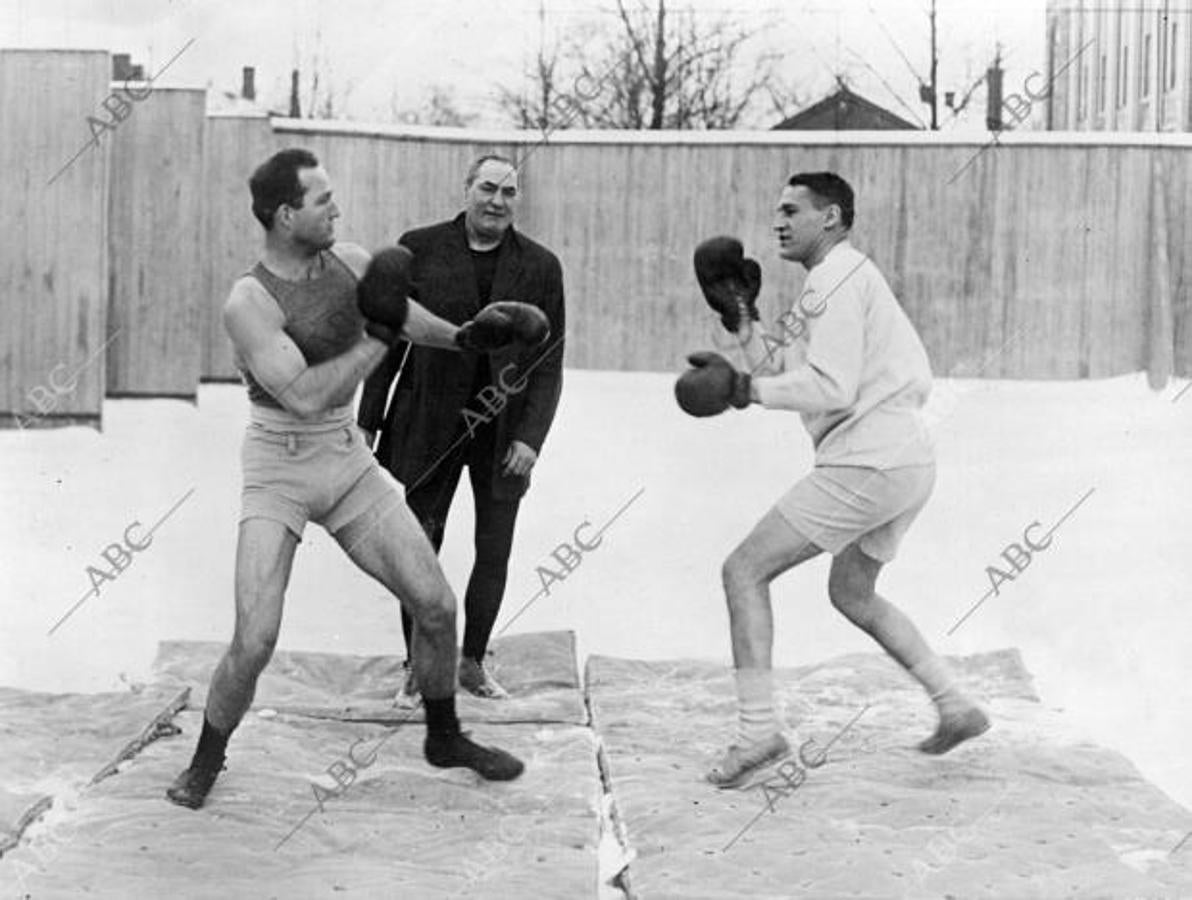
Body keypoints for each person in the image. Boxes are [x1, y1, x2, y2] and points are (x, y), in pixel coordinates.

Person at [166, 148, 550, 809]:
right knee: (254, 640)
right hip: (278, 466)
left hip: (344, 458)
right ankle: (206, 758)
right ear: (285, 216)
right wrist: (377, 337)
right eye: (322, 200)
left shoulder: (351, 260)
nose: (337, 208)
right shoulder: (248, 301)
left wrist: (464, 338)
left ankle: (444, 735)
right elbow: (307, 394)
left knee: (436, 604)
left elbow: (399, 317)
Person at [675, 172, 990, 789]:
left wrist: (742, 389)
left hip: (868, 457)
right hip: (903, 459)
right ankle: (955, 704)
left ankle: (759, 730)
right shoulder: (833, 282)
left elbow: (833, 388)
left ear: (834, 218)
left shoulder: (834, 280)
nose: (779, 222)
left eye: (793, 210)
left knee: (743, 570)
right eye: (777, 211)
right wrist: (745, 321)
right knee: (852, 591)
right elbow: (798, 373)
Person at [358, 154, 565, 704]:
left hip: (503, 430)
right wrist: (367, 422)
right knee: (419, 544)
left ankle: (472, 661)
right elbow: (388, 339)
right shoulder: (419, 248)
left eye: (509, 192)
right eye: (488, 188)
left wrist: (531, 438)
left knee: (493, 548)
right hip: (429, 419)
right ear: (467, 188)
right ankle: (418, 665)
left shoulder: (541, 266)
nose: (498, 201)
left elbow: (549, 361)